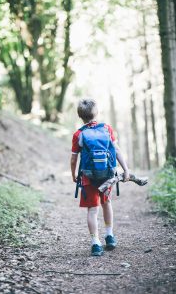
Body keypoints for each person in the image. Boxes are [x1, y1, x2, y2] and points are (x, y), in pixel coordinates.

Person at [70, 98, 130, 256]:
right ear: (96, 113)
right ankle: (109, 235)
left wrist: (73, 173)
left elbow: (74, 158)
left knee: (92, 210)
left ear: (80, 116)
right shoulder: (107, 129)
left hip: (88, 177)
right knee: (107, 203)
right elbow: (116, 150)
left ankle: (95, 243)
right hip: (107, 175)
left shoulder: (79, 134)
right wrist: (126, 169)